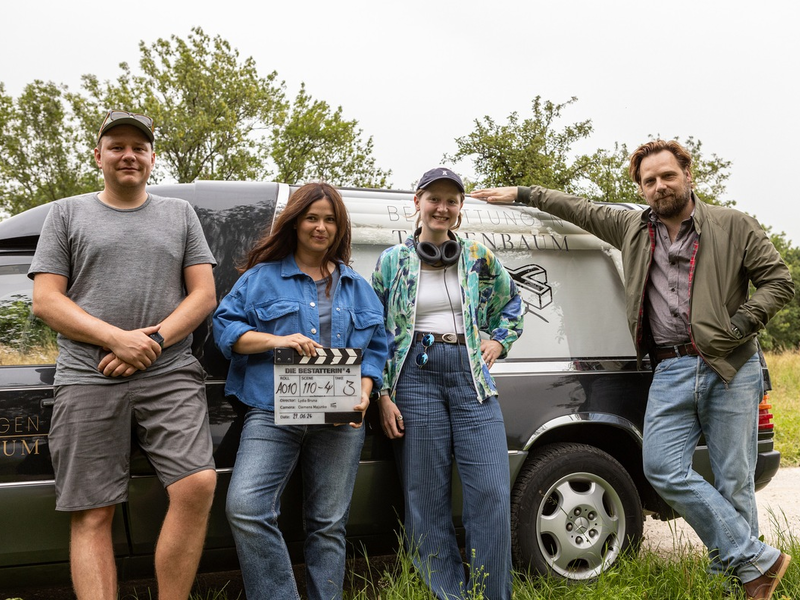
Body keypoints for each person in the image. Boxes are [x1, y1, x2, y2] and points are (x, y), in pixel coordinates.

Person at [471, 139, 794, 600]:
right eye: (649, 180)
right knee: (660, 467)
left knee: (733, 480)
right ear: (640, 188)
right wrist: (522, 192)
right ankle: (759, 559)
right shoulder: (631, 227)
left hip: (730, 366)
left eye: (667, 175)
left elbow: (779, 281)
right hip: (669, 368)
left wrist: (740, 324)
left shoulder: (732, 223)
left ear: (688, 174)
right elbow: (575, 208)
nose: (659, 186)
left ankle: (737, 584)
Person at [29, 110, 218, 600]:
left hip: (170, 370)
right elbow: (46, 299)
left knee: (197, 485)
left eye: (139, 147)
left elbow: (203, 295)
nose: (128, 154)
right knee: (93, 512)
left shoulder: (179, 214)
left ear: (152, 158)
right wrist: (116, 339)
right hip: (86, 376)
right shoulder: (66, 213)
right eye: (116, 146)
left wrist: (151, 343)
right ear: (99, 156)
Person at [212, 182, 388, 600]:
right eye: (312, 217)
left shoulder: (358, 287)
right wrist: (278, 340)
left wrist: (366, 392)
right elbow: (226, 329)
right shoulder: (259, 279)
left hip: (342, 417)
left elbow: (377, 349)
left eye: (330, 220)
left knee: (328, 524)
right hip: (272, 411)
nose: (320, 227)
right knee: (247, 508)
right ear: (295, 222)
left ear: (339, 228)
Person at [372, 168, 524, 600]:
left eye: (451, 201)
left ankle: (493, 593)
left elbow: (512, 302)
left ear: (459, 209)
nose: (442, 207)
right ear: (417, 203)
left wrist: (498, 342)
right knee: (425, 496)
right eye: (434, 198)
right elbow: (377, 332)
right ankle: (449, 594)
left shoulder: (478, 254)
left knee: (492, 493)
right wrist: (383, 393)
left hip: (470, 376)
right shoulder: (391, 261)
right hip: (414, 376)